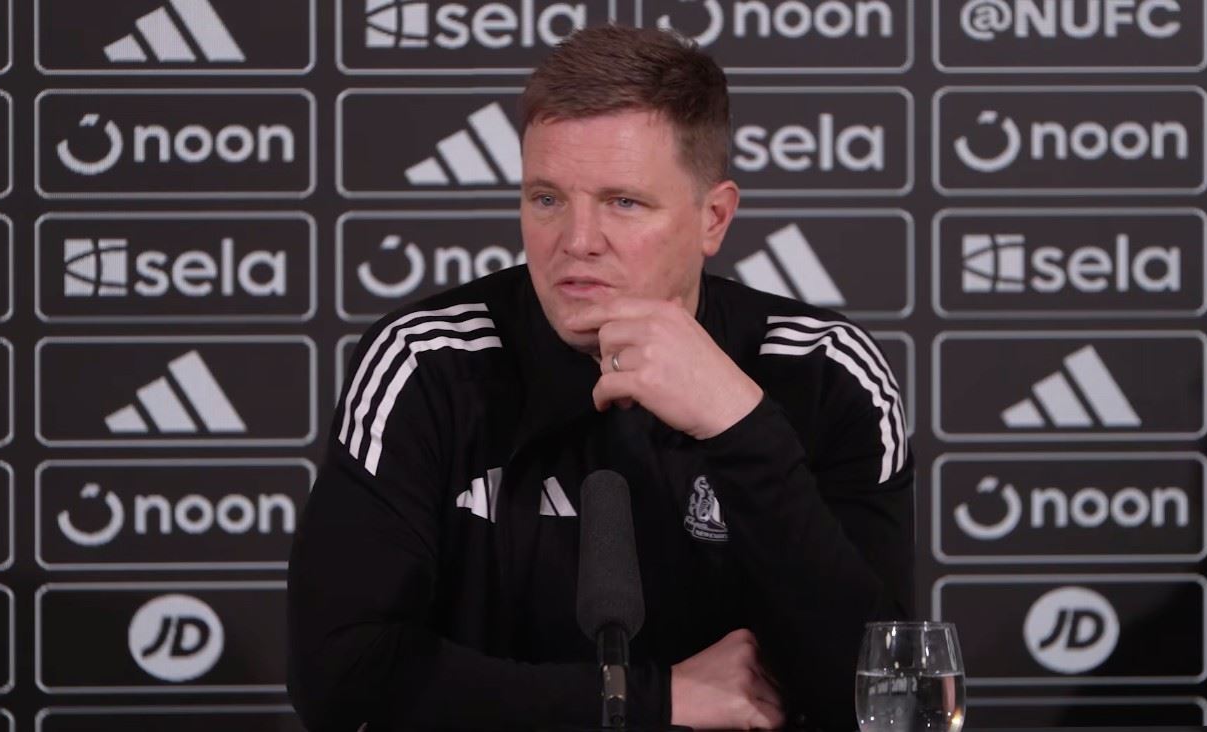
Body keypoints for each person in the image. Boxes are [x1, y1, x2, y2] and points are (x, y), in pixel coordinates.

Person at [288, 24, 913, 731]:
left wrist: (740, 426)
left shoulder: (824, 372)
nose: (577, 241)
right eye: (546, 199)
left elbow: (882, 694)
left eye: (623, 202)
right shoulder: (427, 362)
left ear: (713, 218)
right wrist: (651, 699)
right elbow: (338, 677)